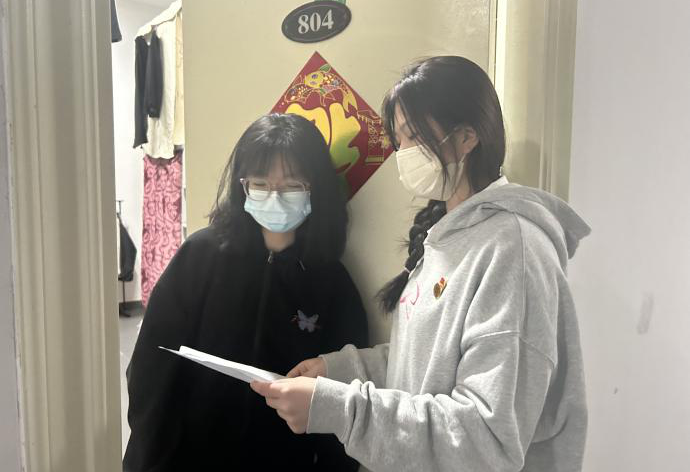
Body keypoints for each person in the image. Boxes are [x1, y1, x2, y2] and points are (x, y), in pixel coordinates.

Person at [251, 56, 591, 472]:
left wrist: (340, 409)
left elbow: (485, 441)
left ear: (466, 136)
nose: (403, 154)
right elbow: (423, 364)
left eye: (412, 136)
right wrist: (336, 371)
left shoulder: (513, 251)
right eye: (398, 141)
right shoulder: (448, 238)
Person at [124, 113, 368, 471]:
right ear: (243, 186)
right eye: (260, 184)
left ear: (316, 187)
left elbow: (344, 398)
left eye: (291, 185)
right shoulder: (200, 256)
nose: (274, 197)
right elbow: (151, 367)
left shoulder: (333, 283)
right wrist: (150, 460)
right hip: (187, 458)